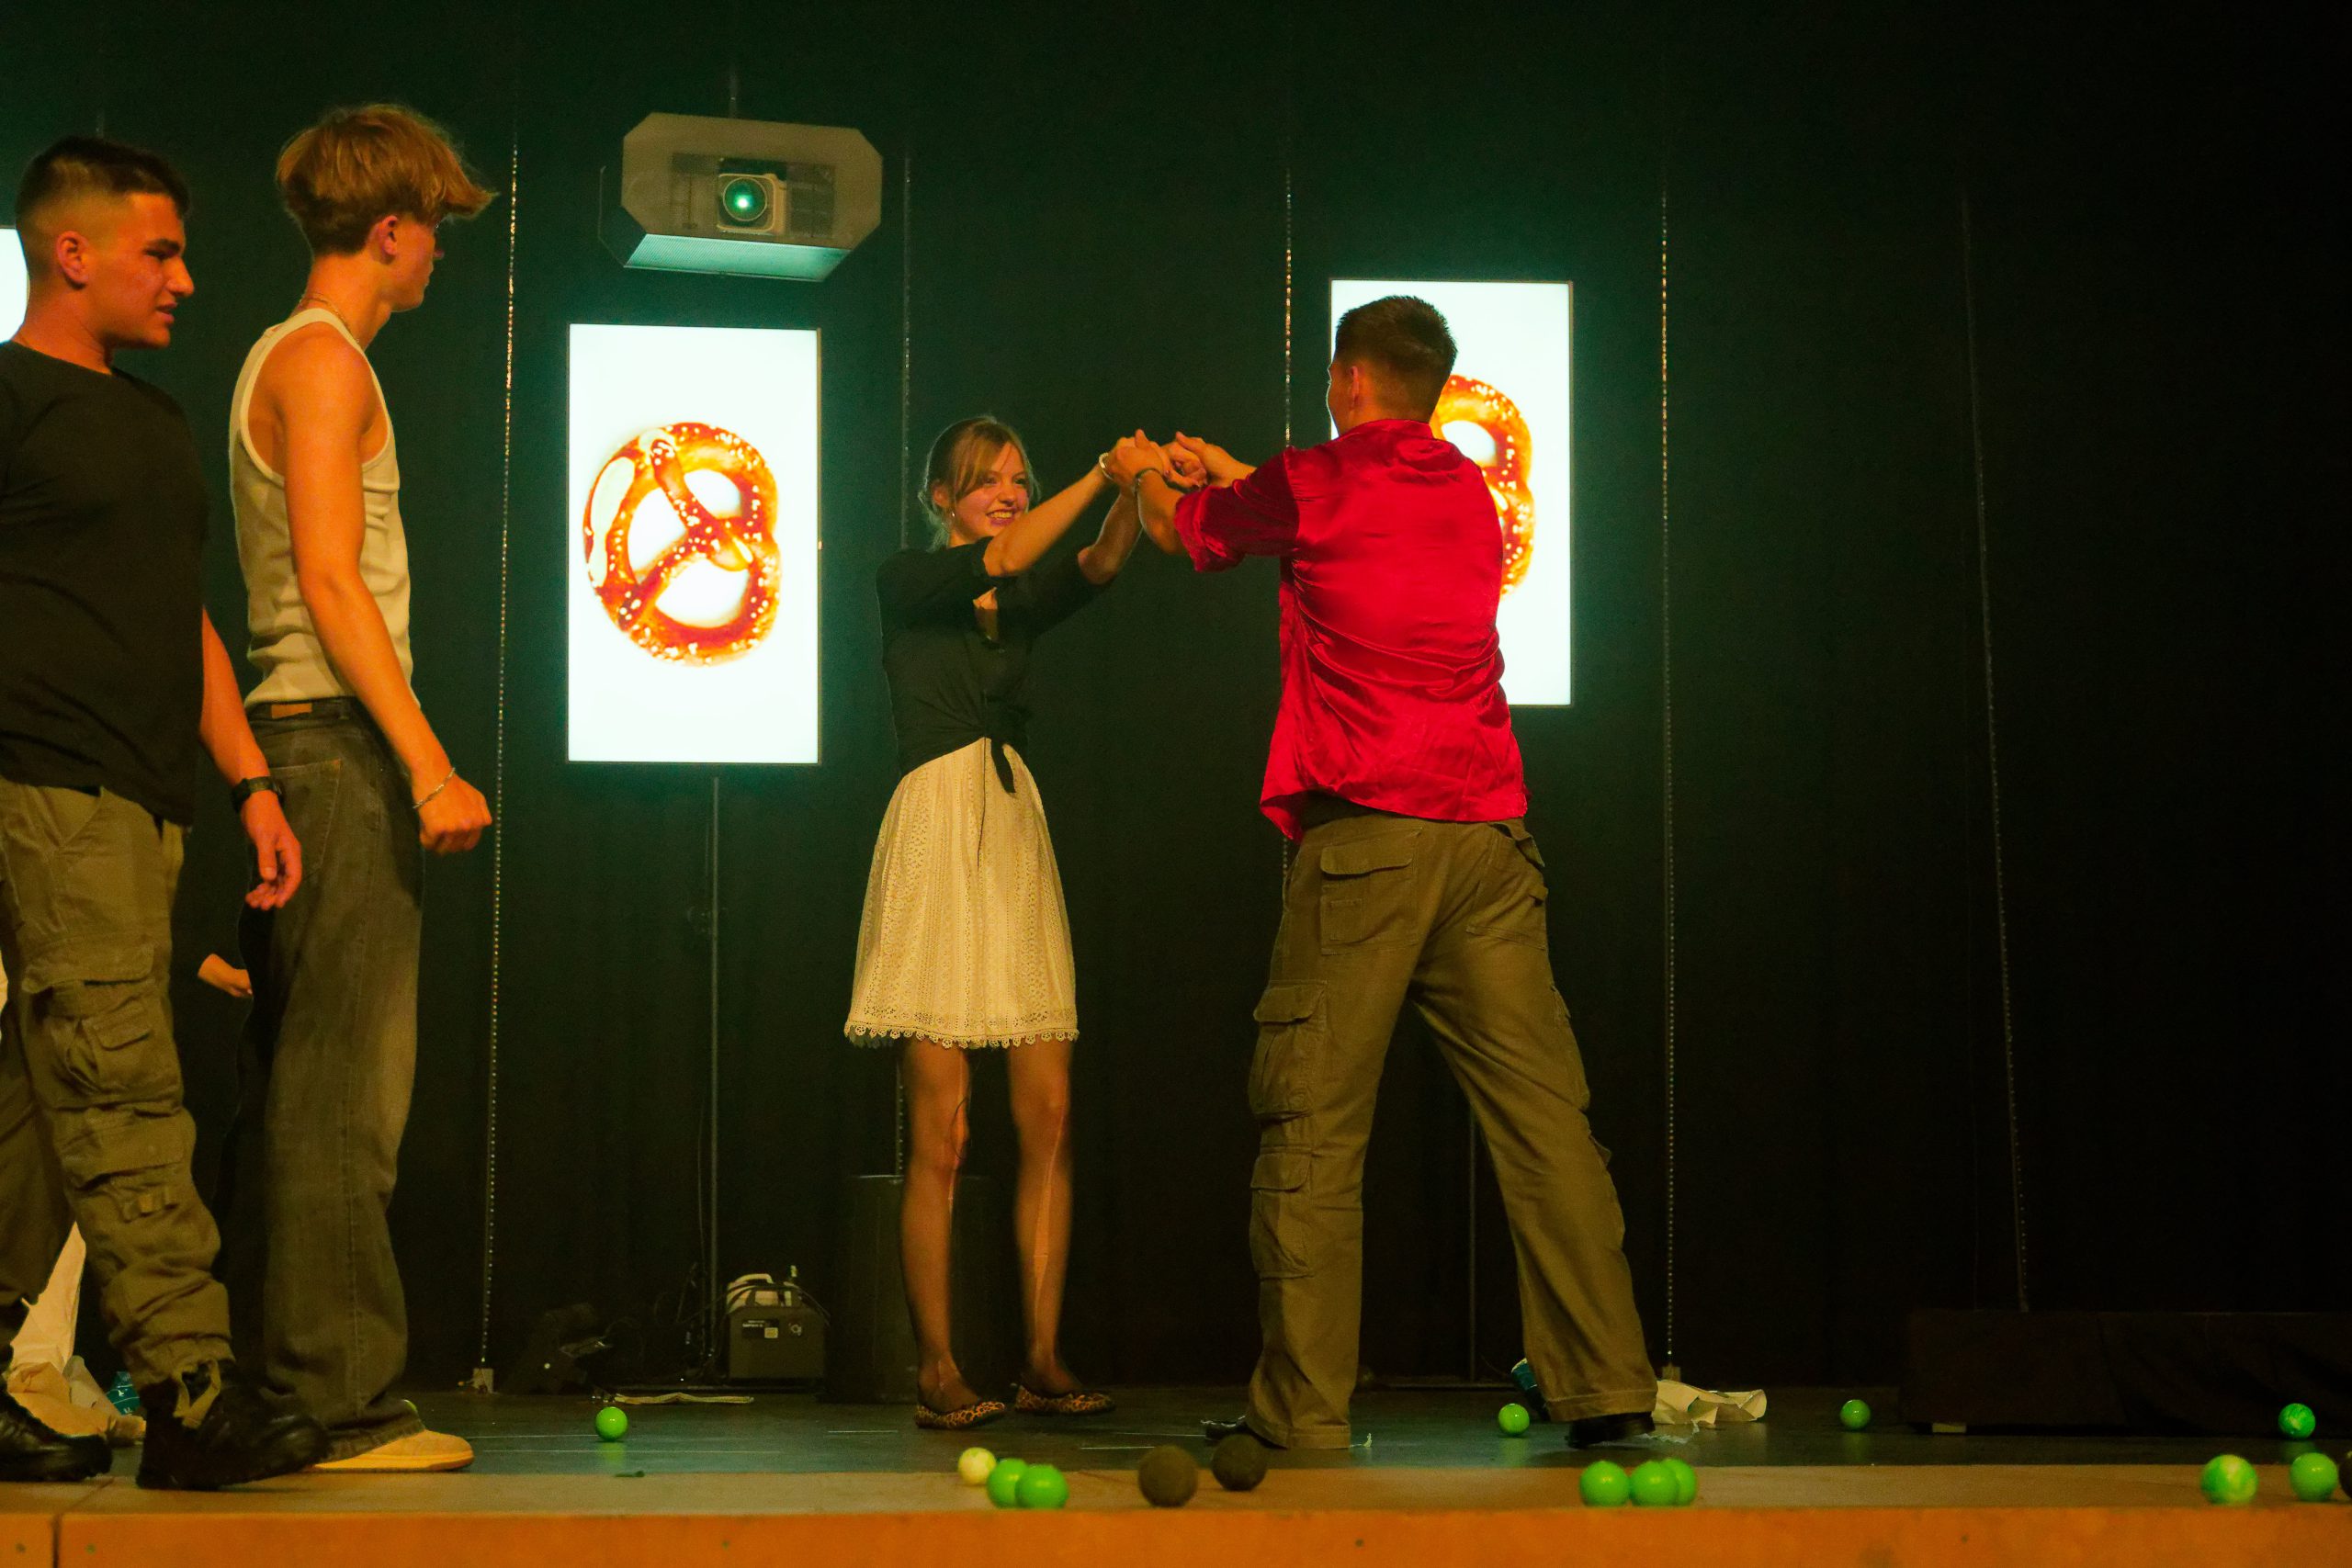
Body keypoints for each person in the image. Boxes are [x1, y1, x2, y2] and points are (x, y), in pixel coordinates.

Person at [1114, 294, 1657, 1450]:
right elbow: (1331, 518)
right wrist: (1238, 470)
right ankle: (1608, 1383)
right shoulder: (1463, 489)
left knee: (1312, 1122)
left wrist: (1142, 474)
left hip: (1368, 839)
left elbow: (1185, 534)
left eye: (1331, 379)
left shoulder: (1315, 480)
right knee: (1545, 1122)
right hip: (1490, 842)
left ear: (1351, 380)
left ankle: (1301, 1411)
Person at [0, 135, 327, 1489]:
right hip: (47, 781)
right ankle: (191, 1389)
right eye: (162, 252)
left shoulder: (153, 419)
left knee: (40, 1097)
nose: (184, 280)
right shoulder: (9, 398)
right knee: (122, 1083)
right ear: (72, 252)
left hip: (145, 795)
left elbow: (176, 613)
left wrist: (249, 780)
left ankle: (6, 1376)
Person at [219, 104, 492, 1473]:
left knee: (319, 1083)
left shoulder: (297, 355)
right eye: (434, 229)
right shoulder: (323, 359)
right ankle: (337, 1403)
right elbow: (331, 582)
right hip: (335, 742)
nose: (439, 253)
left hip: (313, 744)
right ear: (390, 231)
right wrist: (428, 762)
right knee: (344, 1090)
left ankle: (303, 1387)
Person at [846, 417, 1145, 1427]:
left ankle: (1042, 1358)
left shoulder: (1014, 603)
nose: (1009, 493)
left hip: (1013, 830)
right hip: (936, 828)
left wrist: (1134, 488)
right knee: (944, 1127)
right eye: (987, 481)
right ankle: (936, 1367)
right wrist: (1099, 470)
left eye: (1020, 477)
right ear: (942, 497)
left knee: (1048, 1112)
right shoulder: (907, 579)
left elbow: (1099, 563)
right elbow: (1011, 553)